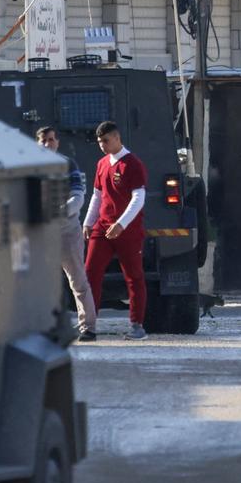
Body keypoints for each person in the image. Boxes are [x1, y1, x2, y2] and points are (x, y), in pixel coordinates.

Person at [82, 120, 149, 340]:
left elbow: (139, 197)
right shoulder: (102, 164)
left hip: (127, 230)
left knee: (133, 276)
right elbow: (97, 195)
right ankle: (89, 325)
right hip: (102, 227)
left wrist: (121, 223)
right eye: (99, 141)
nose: (102, 145)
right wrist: (88, 222)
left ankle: (137, 325)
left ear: (117, 138)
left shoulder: (132, 164)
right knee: (90, 273)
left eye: (106, 140)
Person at [36, 126, 97, 341]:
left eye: (51, 140)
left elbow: (78, 195)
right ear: (37, 142)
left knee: (78, 281)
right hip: (40, 231)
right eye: (44, 140)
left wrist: (64, 210)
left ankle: (88, 327)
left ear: (57, 142)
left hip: (67, 230)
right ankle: (44, 327)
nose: (48, 144)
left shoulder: (68, 164)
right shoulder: (29, 166)